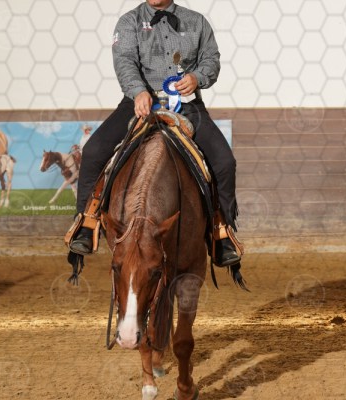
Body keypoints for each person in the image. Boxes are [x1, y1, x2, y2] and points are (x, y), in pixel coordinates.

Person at [70, 0, 241, 267]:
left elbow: (211, 59)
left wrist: (196, 77)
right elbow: (124, 61)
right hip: (138, 102)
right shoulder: (129, 22)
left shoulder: (196, 21)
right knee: (92, 152)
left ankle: (222, 231)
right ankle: (86, 221)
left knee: (224, 162)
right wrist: (138, 91)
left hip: (188, 106)